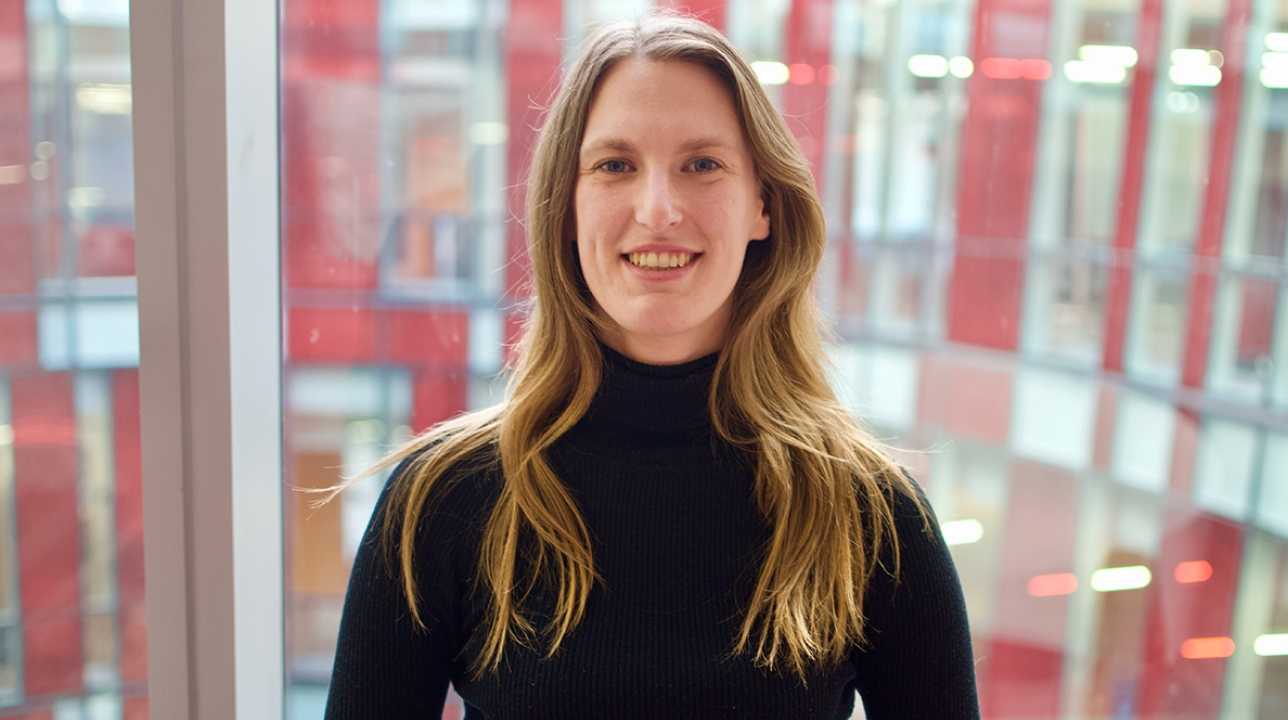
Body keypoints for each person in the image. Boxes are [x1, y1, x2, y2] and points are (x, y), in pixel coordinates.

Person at [321, 10, 980, 719]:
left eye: (702, 164)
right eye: (615, 166)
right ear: (567, 209)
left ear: (763, 203)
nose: (658, 209)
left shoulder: (868, 512)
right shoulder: (444, 498)